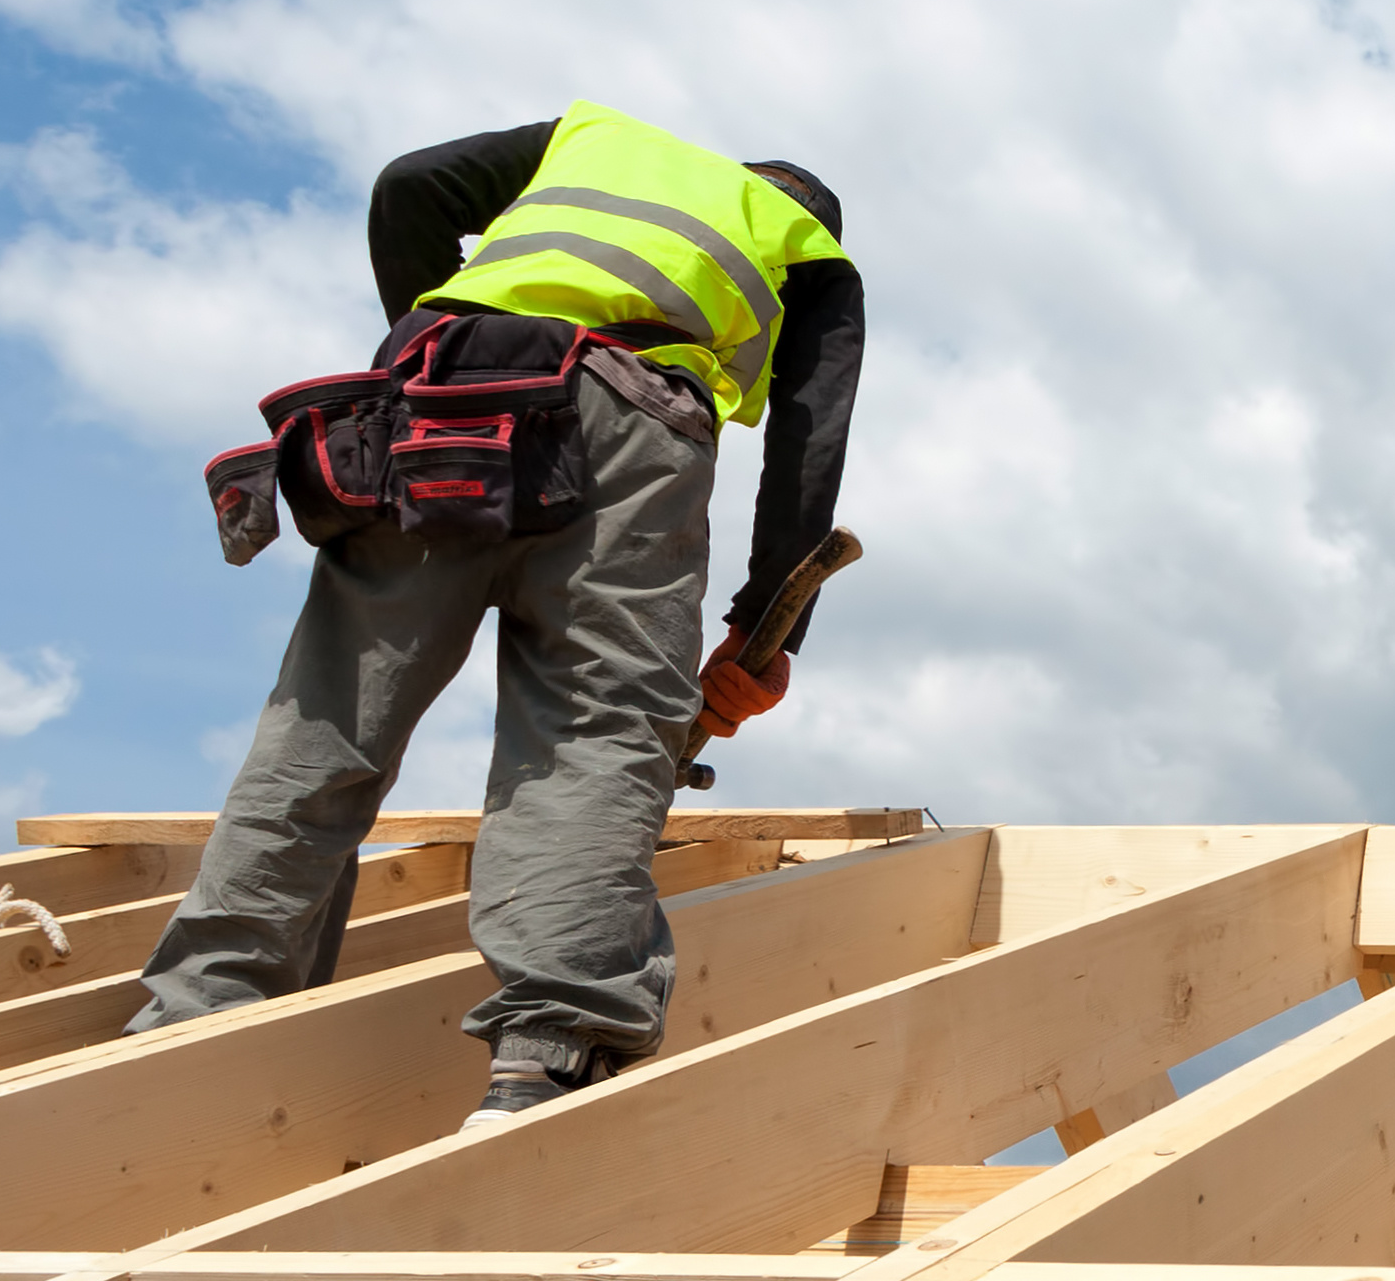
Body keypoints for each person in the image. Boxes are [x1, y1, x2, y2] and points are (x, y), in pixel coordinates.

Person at [125, 101, 864, 1124]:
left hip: (445, 390)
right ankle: (553, 1044)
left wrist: (415, 353)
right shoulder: (809, 250)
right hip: (630, 422)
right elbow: (807, 448)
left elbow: (409, 187)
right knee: (595, 731)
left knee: (329, 712)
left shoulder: (598, 137)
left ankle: (194, 1017)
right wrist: (762, 632)